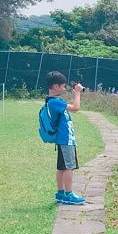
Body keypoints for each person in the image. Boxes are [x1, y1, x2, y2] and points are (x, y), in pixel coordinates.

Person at [45, 71, 85, 205]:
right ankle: (68, 194)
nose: (64, 88)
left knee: (62, 167)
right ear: (55, 86)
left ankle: (60, 193)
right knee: (69, 167)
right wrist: (77, 92)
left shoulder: (53, 101)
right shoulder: (55, 102)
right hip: (66, 140)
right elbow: (75, 108)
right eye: (62, 86)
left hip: (63, 140)